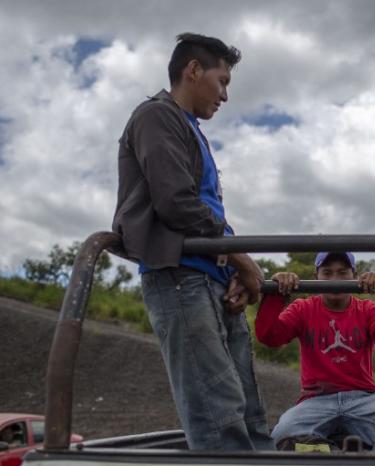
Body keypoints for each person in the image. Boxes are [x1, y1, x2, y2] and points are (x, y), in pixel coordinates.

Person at [112, 33, 273, 451]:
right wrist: (244, 263)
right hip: (180, 277)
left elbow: (208, 214)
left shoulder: (191, 129)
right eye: (222, 82)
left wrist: (232, 267)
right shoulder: (156, 116)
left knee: (247, 410)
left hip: (210, 278)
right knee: (217, 413)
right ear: (194, 70)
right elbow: (177, 204)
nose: (224, 96)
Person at [255, 252, 375, 452]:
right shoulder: (303, 308)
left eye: (343, 273)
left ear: (355, 275)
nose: (335, 280)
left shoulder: (367, 308)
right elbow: (269, 337)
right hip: (316, 399)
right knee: (282, 433)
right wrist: (277, 292)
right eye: (327, 273)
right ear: (316, 276)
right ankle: (332, 455)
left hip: (363, 397)